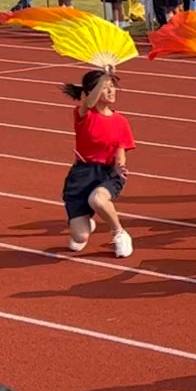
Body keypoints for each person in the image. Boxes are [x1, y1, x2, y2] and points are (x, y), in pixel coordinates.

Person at [59, 69, 134, 259]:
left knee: (98, 199)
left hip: (108, 173)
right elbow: (88, 103)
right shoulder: (84, 114)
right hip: (82, 175)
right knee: (80, 237)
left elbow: (120, 149)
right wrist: (104, 78)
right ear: (92, 92)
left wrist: (120, 165)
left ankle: (120, 233)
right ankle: (86, 222)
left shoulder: (121, 121)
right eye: (105, 88)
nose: (111, 91)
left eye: (112, 87)